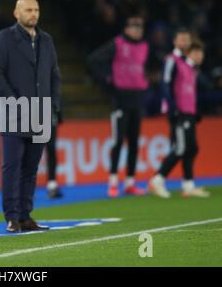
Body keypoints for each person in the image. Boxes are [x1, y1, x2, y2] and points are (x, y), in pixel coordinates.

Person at [0, 0, 61, 233]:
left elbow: (54, 76)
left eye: (36, 9)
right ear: (16, 13)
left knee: (31, 168)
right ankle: (11, 218)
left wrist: (54, 106)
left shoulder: (46, 40)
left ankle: (25, 215)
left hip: (40, 114)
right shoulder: (4, 38)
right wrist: (16, 102)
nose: (33, 14)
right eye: (28, 9)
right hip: (14, 115)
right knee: (13, 166)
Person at [87, 15, 149, 198]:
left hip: (137, 98)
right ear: (127, 29)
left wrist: (144, 81)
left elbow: (142, 66)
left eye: (140, 28)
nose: (137, 31)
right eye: (134, 27)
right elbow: (93, 60)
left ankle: (130, 181)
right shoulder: (117, 44)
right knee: (118, 140)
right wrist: (108, 79)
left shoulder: (145, 46)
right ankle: (113, 182)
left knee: (135, 142)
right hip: (121, 98)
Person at [149, 39, 210, 198]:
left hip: (189, 113)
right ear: (188, 53)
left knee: (192, 148)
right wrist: (172, 108)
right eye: (196, 52)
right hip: (179, 113)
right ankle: (157, 179)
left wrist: (195, 111)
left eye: (201, 52)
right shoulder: (179, 65)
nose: (200, 55)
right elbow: (166, 85)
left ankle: (188, 185)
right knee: (180, 148)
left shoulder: (192, 69)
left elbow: (192, 92)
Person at [45, 110, 64, 199]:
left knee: (51, 150)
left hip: (50, 116)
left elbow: (56, 95)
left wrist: (58, 114)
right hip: (33, 115)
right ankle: (25, 188)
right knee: (31, 152)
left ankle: (52, 185)